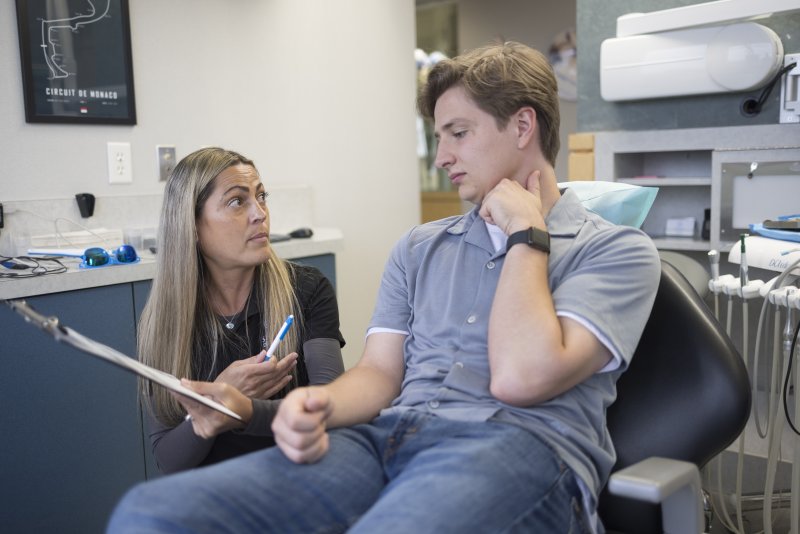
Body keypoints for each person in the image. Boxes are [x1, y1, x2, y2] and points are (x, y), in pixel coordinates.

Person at [108, 42, 660, 532]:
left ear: (522, 127)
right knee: (151, 515)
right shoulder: (419, 248)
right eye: (438, 137)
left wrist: (526, 233)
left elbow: (521, 378)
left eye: (458, 134)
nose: (442, 157)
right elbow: (377, 375)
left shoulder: (617, 252)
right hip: (387, 440)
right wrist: (312, 404)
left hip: (521, 450)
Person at [138, 147, 345, 473]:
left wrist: (241, 407)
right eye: (238, 201)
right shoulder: (165, 322)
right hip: (212, 493)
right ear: (191, 224)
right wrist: (207, 413)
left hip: (296, 478)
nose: (260, 213)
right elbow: (168, 459)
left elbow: (331, 409)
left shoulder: (307, 289)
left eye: (261, 196)